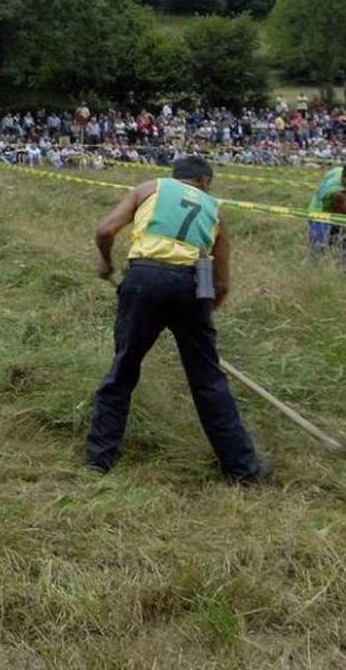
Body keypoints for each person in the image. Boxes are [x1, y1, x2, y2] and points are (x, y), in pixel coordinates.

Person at [85, 156, 265, 483]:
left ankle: (99, 460)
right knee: (209, 382)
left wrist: (105, 262)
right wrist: (200, 319)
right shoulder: (214, 211)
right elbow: (221, 283)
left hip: (143, 280)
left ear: (174, 176)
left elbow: (105, 230)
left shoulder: (148, 189)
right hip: (194, 286)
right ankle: (243, 470)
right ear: (206, 182)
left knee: (123, 370)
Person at [306, 161, 346, 273]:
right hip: (318, 215)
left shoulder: (338, 171)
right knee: (318, 248)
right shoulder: (337, 193)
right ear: (345, 176)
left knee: (345, 245)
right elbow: (343, 211)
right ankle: (308, 273)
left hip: (329, 212)